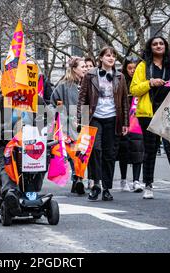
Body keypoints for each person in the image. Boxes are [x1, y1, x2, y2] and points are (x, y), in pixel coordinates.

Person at [130, 36, 170, 199]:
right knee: (150, 150)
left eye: (161, 43)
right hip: (148, 113)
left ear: (166, 46)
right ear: (150, 48)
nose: (158, 46)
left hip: (168, 112)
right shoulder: (143, 66)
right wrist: (150, 83)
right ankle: (148, 185)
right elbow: (134, 89)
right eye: (155, 44)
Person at [78, 46, 129, 201]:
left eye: (113, 55)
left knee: (110, 154)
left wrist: (125, 122)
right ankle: (96, 185)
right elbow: (82, 98)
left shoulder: (120, 76)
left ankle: (107, 188)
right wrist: (82, 119)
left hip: (113, 118)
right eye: (107, 55)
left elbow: (125, 101)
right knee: (96, 151)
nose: (111, 58)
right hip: (95, 117)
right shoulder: (90, 75)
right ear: (100, 58)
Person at [51, 56, 87, 194]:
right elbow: (54, 102)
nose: (85, 69)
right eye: (82, 67)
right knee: (73, 153)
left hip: (85, 121)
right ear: (74, 69)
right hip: (69, 124)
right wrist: (63, 116)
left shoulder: (87, 84)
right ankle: (77, 179)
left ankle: (78, 179)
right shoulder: (63, 86)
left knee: (83, 152)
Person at [117, 56, 144, 193]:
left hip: (138, 120)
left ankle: (136, 180)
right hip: (125, 121)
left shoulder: (141, 80)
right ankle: (123, 179)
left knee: (138, 150)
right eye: (130, 68)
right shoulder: (121, 81)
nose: (132, 71)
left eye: (135, 68)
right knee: (124, 151)